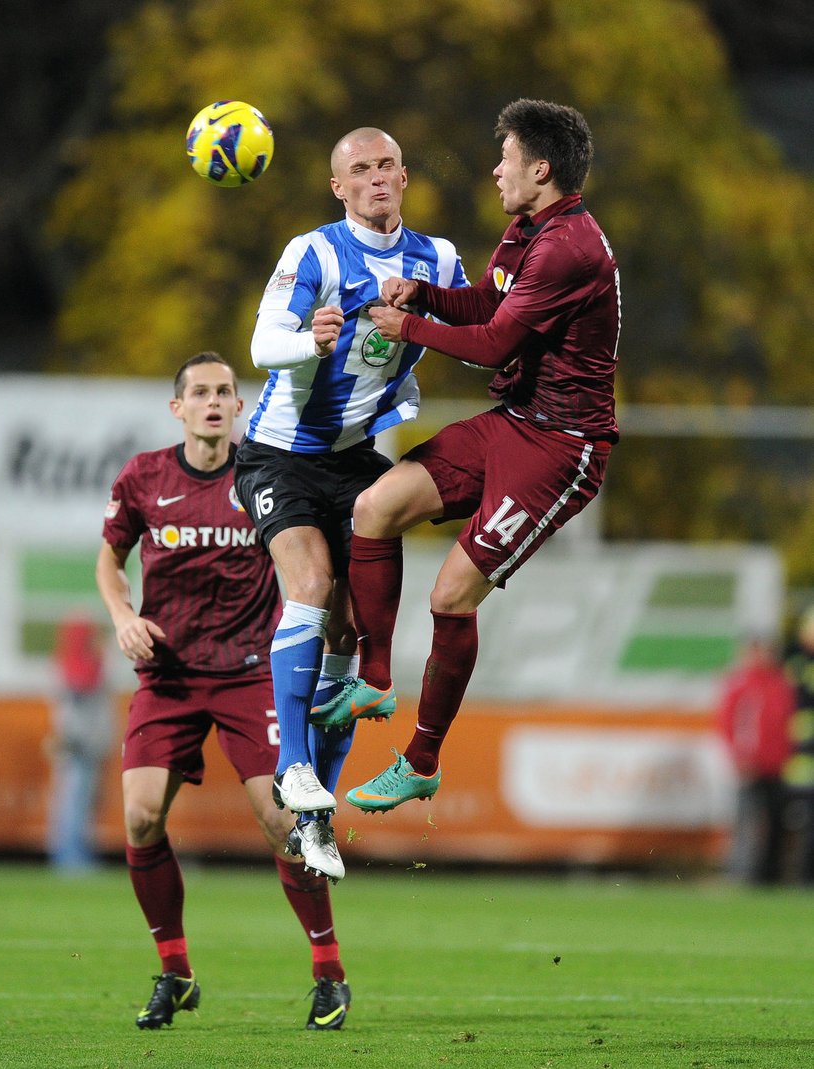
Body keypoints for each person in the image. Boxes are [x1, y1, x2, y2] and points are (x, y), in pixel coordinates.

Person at [343, 98, 621, 812]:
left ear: (541, 167)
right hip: (512, 421)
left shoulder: (571, 248)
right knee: (376, 505)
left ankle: (422, 760)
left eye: (506, 156)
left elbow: (497, 346)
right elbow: (487, 309)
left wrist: (407, 324)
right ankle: (373, 677)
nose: (495, 168)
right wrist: (428, 295)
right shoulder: (528, 230)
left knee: (449, 595)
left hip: (561, 449)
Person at [232, 127, 468, 879]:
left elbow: (477, 331)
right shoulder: (315, 252)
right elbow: (263, 344)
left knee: (353, 630)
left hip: (355, 460)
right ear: (338, 187)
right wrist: (311, 340)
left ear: (404, 175)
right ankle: (293, 764)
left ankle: (315, 816)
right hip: (279, 452)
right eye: (359, 170)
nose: (375, 179)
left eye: (386, 166)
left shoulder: (440, 259)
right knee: (310, 587)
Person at [97, 351, 351, 1032]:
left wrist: (332, 634)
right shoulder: (144, 477)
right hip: (171, 675)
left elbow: (307, 558)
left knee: (280, 824)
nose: (214, 401)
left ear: (241, 406)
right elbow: (109, 558)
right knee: (141, 816)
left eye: (226, 391)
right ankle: (175, 972)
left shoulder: (263, 474)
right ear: (176, 407)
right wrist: (124, 618)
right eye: (200, 392)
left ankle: (328, 970)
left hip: (249, 672)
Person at [715, 636, 795, 884]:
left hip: (777, 765)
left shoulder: (780, 684)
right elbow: (728, 724)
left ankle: (769, 876)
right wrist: (739, 756)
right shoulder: (741, 684)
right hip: (750, 764)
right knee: (747, 821)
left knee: (776, 822)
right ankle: (741, 874)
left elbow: (787, 725)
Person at [46, 613, 113, 871]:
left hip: (89, 743)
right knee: (72, 800)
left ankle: (76, 852)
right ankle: (69, 856)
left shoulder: (81, 662)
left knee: (81, 801)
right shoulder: (76, 663)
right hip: (77, 743)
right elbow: (79, 690)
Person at [784, 606, 814, 883]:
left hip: (801, 759)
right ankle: (801, 878)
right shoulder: (796, 664)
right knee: (802, 824)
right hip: (800, 761)